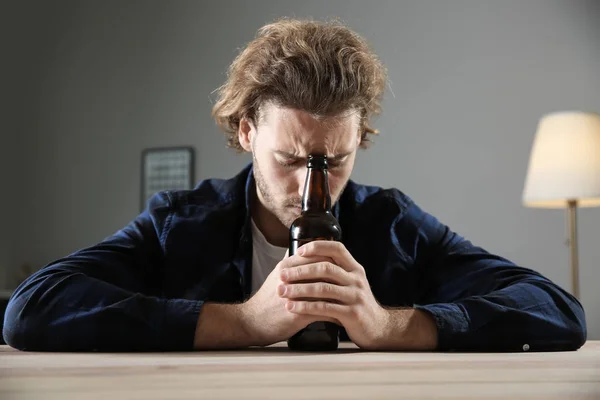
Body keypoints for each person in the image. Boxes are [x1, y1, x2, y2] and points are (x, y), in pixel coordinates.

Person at [3, 18, 586, 352]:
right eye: (288, 158)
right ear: (247, 130)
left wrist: (385, 325)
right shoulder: (179, 221)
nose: (315, 186)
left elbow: (559, 313)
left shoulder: (393, 224)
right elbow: (31, 310)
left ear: (360, 139)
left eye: (335, 160)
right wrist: (244, 322)